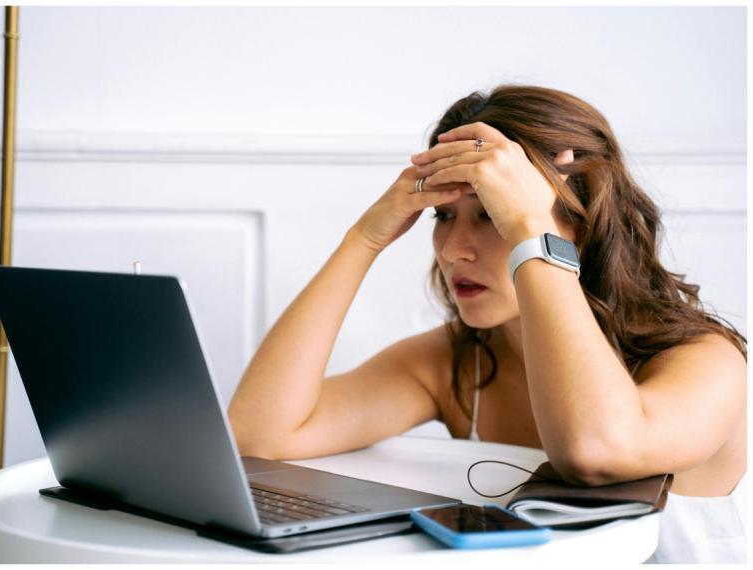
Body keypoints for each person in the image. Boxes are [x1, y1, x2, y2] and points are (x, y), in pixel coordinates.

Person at [227, 84, 747, 563]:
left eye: (490, 214)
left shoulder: (705, 361)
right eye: (443, 216)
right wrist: (364, 239)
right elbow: (258, 436)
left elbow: (597, 451)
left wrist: (530, 229)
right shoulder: (455, 361)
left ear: (581, 223)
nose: (454, 251)